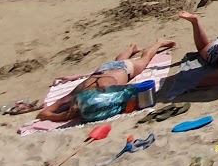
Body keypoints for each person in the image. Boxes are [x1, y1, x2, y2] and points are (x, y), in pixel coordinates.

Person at [35, 39, 178, 122]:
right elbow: (42, 114)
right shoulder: (76, 93)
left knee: (144, 59)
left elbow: (130, 93)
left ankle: (159, 43)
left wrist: (63, 117)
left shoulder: (102, 91)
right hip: (105, 69)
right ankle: (131, 48)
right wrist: (63, 115)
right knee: (119, 60)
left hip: (125, 69)